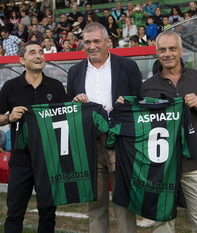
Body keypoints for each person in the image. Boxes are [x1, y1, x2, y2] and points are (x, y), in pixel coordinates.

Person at [139, 31, 197, 232]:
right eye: (162, 49)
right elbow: (141, 124)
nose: (167, 54)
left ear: (181, 50)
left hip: (196, 163)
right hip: (162, 166)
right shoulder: (147, 87)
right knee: (162, 222)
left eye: (172, 48)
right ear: (156, 52)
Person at [67, 23, 141, 233]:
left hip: (121, 142)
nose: (92, 46)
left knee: (124, 201)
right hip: (90, 143)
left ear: (108, 42)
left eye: (97, 41)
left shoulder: (127, 66)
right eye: (87, 42)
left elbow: (140, 101)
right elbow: (70, 106)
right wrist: (75, 101)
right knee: (95, 203)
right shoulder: (74, 72)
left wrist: (129, 102)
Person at [0, 41, 68, 233]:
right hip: (20, 160)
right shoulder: (11, 87)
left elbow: (67, 118)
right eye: (32, 52)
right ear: (22, 60)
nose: (38, 55)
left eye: (41, 52)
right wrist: (9, 116)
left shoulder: (56, 87)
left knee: (48, 214)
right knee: (15, 213)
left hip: (49, 161)